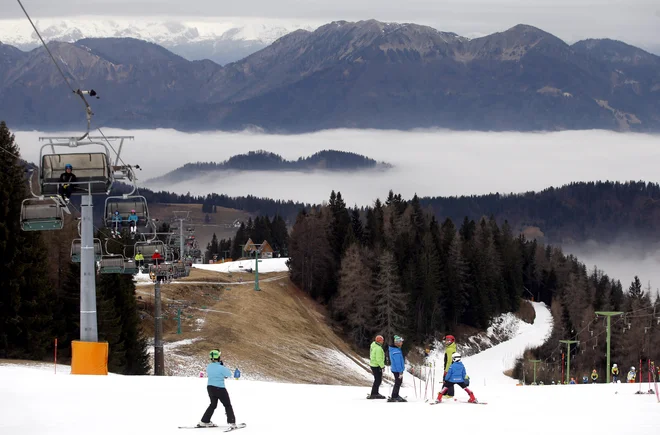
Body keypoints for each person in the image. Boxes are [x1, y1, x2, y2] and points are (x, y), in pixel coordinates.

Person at [198, 349, 237, 429]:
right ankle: (232, 422)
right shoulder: (221, 367)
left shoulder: (209, 366)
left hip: (210, 388)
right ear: (218, 357)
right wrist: (222, 366)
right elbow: (229, 374)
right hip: (220, 388)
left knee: (213, 405)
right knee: (227, 405)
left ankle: (205, 421)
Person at [388, 335, 406, 402]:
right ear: (397, 343)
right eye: (401, 342)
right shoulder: (396, 351)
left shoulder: (397, 350)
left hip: (397, 369)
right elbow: (398, 362)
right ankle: (394, 396)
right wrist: (400, 371)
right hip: (397, 370)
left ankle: (396, 395)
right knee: (398, 382)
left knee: (398, 382)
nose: (402, 343)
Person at [368, 335, 386, 399]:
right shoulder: (378, 348)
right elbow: (379, 359)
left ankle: (375, 392)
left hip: (373, 364)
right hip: (376, 365)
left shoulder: (374, 346)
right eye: (382, 340)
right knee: (378, 380)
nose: (383, 341)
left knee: (377, 379)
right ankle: (374, 393)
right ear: (379, 341)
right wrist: (382, 366)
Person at [442, 335, 456, 399]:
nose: (447, 341)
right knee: (446, 380)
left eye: (449, 340)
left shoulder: (450, 349)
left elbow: (449, 361)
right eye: (446, 340)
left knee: (448, 380)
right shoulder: (451, 348)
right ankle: (444, 392)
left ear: (452, 341)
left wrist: (446, 370)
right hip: (450, 367)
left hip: (449, 367)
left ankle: (450, 394)